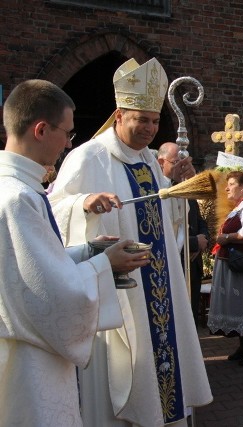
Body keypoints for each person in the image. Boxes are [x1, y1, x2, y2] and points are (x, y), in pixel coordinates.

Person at [49, 58, 212, 426]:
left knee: (161, 369)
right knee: (119, 375)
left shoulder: (149, 161)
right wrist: (83, 205)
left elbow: (161, 221)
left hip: (158, 289)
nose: (150, 129)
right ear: (120, 115)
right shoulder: (87, 156)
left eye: (155, 121)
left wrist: (176, 191)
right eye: (142, 120)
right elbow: (54, 211)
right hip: (118, 293)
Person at [0, 79, 150, 426]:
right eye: (67, 133)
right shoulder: (18, 198)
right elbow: (47, 293)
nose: (69, 143)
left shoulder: (16, 187)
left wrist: (87, 250)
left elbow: (30, 267)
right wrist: (105, 263)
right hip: (29, 360)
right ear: (41, 129)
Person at [207, 170, 243, 365]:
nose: (226, 188)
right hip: (231, 263)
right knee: (238, 307)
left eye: (231, 184)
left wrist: (227, 238)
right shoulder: (239, 207)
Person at [157, 142, 210, 326]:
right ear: (161, 162)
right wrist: (194, 242)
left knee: (191, 315)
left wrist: (204, 238)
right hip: (174, 263)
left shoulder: (185, 187)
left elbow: (200, 220)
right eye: (177, 163)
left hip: (193, 264)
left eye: (185, 164)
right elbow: (164, 230)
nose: (183, 168)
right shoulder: (158, 191)